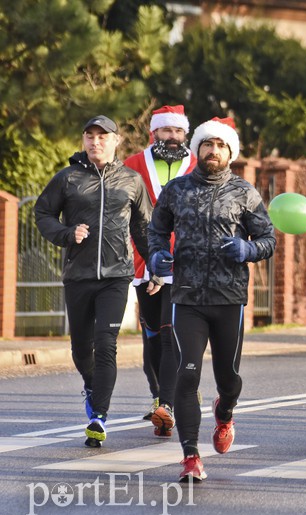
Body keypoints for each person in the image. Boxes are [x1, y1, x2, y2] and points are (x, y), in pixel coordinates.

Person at [148, 117, 276, 482]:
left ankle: (225, 412)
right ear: (197, 149)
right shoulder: (176, 190)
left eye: (221, 146)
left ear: (230, 152)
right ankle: (191, 456)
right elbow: (156, 231)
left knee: (229, 377)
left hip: (228, 299)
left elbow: (268, 240)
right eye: (208, 144)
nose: (213, 151)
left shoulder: (245, 192)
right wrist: (157, 256)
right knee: (186, 376)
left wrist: (247, 248)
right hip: (186, 296)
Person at [35, 115, 152, 447]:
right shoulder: (68, 178)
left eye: (103, 137)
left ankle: (98, 416)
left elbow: (144, 228)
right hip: (78, 275)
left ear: (116, 141)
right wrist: (67, 234)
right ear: (84, 141)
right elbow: (42, 213)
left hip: (117, 276)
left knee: (106, 343)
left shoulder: (131, 180)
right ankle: (90, 385)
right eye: (90, 136)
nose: (95, 142)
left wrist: (156, 268)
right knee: (80, 347)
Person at [124, 104, 196, 436]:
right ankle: (158, 395)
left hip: (184, 261)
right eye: (166, 131)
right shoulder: (133, 165)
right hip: (145, 258)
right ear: (154, 133)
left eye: (178, 131)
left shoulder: (197, 164)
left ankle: (167, 404)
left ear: (186, 134)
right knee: (152, 334)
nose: (172, 137)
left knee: (170, 333)